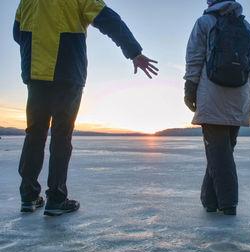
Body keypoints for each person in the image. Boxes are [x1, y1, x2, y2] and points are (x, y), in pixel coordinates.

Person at [13, 0, 158, 216]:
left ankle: (29, 195)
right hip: (67, 71)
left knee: (35, 133)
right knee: (61, 135)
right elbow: (109, 20)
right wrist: (134, 52)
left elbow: (17, 33)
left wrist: (37, 48)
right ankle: (56, 198)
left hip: (36, 72)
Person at [184, 0, 250, 215]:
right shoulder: (248, 28)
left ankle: (228, 204)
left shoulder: (204, 22)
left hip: (212, 95)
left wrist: (190, 87)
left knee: (219, 154)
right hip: (239, 97)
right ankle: (210, 201)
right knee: (222, 152)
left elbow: (195, 57)